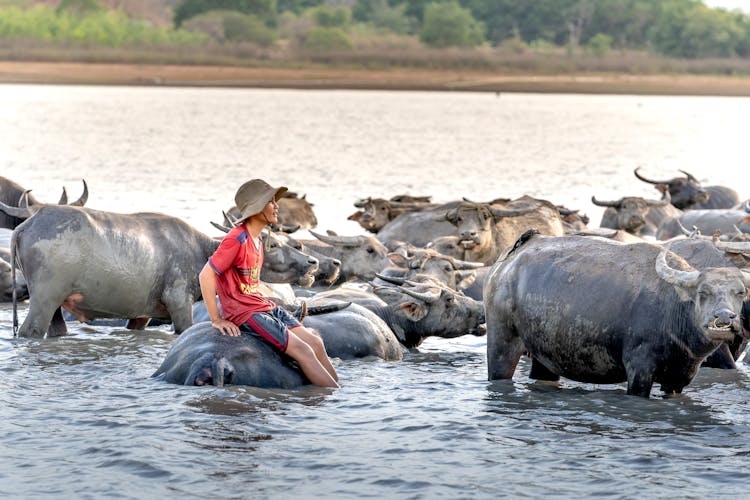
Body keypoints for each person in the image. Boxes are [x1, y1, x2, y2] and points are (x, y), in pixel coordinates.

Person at [199, 178, 339, 388]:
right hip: (246, 313)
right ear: (256, 209)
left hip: (262, 305)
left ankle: (340, 392)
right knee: (304, 351)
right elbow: (206, 275)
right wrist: (217, 319)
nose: (277, 206)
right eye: (271, 202)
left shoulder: (257, 240)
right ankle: (332, 399)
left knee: (315, 342)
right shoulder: (236, 238)